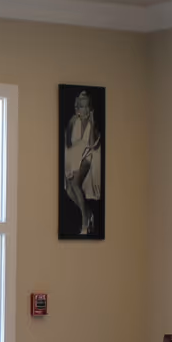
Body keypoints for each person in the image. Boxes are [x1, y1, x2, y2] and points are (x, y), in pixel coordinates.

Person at [62, 90, 102, 236]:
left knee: (74, 184)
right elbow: (68, 143)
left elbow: (92, 145)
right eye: (81, 106)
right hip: (74, 156)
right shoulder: (74, 122)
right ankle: (88, 212)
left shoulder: (93, 124)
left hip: (88, 155)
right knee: (68, 189)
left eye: (86, 106)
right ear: (77, 108)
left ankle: (85, 221)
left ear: (90, 108)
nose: (84, 110)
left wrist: (91, 122)